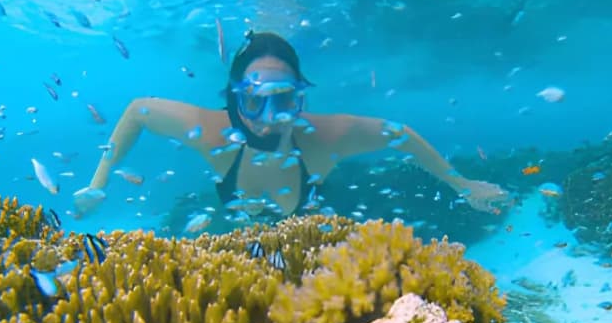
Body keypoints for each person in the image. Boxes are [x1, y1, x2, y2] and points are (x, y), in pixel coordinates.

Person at [74, 31, 511, 218]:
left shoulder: (325, 136)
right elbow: (136, 110)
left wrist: (463, 184)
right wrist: (98, 182)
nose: (268, 120)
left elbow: (400, 135)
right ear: (234, 98)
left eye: (283, 100)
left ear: (300, 99)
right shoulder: (208, 129)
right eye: (253, 102)